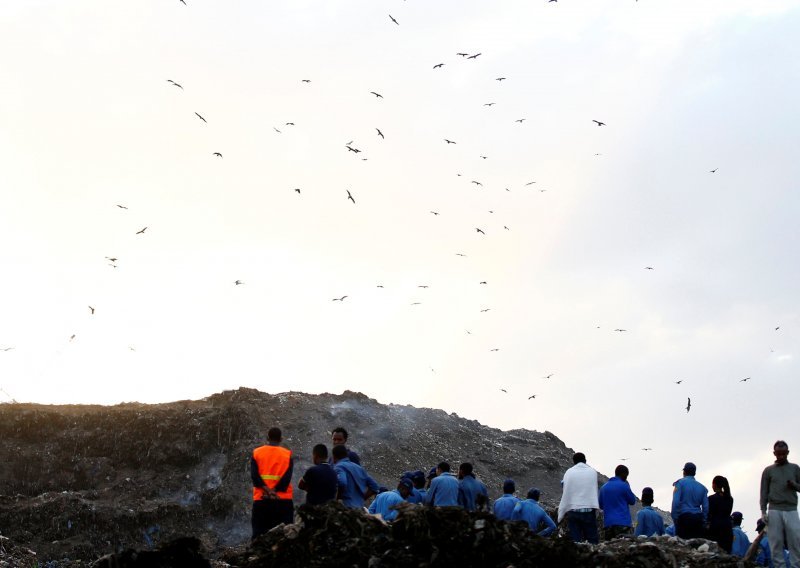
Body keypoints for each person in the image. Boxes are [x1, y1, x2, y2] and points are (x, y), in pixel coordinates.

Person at [760, 440, 800, 568]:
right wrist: (763, 511)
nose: (781, 456)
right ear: (774, 453)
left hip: (791, 509)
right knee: (776, 542)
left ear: (787, 453)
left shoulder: (795, 468)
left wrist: (794, 485)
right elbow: (764, 491)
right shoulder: (768, 471)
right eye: (778, 454)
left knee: (795, 540)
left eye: (783, 454)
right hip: (774, 509)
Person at [250, 426, 294, 539]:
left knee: (259, 535)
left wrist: (268, 491)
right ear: (281, 439)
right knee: (284, 536)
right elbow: (287, 478)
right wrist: (274, 491)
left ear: (267, 438)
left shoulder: (256, 453)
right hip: (282, 500)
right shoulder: (287, 454)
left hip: (262, 499)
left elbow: (255, 477)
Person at [557, 452, 600, 544]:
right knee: (592, 541)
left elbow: (565, 488)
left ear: (573, 462)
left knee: (575, 542)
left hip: (573, 511)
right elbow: (593, 489)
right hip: (589, 510)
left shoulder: (569, 472)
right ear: (585, 461)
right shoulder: (592, 472)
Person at [332, 443, 378, 508]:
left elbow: (342, 483)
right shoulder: (359, 468)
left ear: (334, 457)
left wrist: (338, 498)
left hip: (346, 507)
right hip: (358, 509)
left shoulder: (339, 467)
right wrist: (362, 499)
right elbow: (375, 486)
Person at [670, 461, 708, 539]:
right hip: (698, 519)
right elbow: (706, 507)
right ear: (694, 473)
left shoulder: (680, 484)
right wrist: (703, 521)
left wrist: (675, 519)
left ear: (684, 472)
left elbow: (676, 503)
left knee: (683, 546)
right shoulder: (702, 488)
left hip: (684, 518)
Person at [598, 464, 637, 539]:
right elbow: (632, 501)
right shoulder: (624, 486)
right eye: (626, 476)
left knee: (610, 547)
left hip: (608, 524)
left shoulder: (603, 488)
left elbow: (601, 506)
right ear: (624, 474)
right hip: (623, 523)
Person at [707, 475, 734, 553]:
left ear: (715, 485)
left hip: (715, 529)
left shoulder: (711, 499)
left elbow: (709, 514)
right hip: (727, 529)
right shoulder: (730, 499)